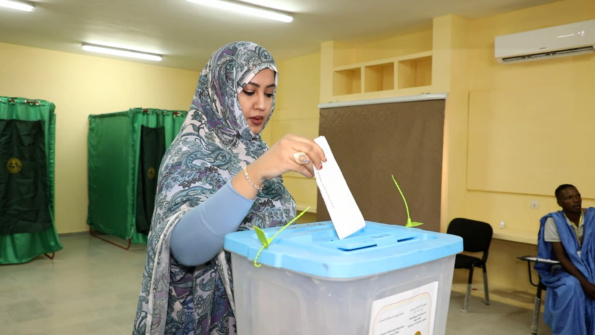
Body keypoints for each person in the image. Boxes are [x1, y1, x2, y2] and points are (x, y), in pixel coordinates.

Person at [132, 41, 326, 335]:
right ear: (220, 90)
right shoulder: (189, 150)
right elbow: (185, 247)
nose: (261, 103)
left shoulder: (255, 149)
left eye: (269, 93)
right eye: (249, 91)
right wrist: (257, 172)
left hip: (261, 309)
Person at [535, 184, 595, 335]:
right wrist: (585, 283)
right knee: (572, 286)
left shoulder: (591, 217)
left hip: (591, 265)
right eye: (569, 198)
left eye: (577, 196)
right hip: (564, 269)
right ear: (560, 202)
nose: (576, 200)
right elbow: (561, 257)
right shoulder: (554, 221)